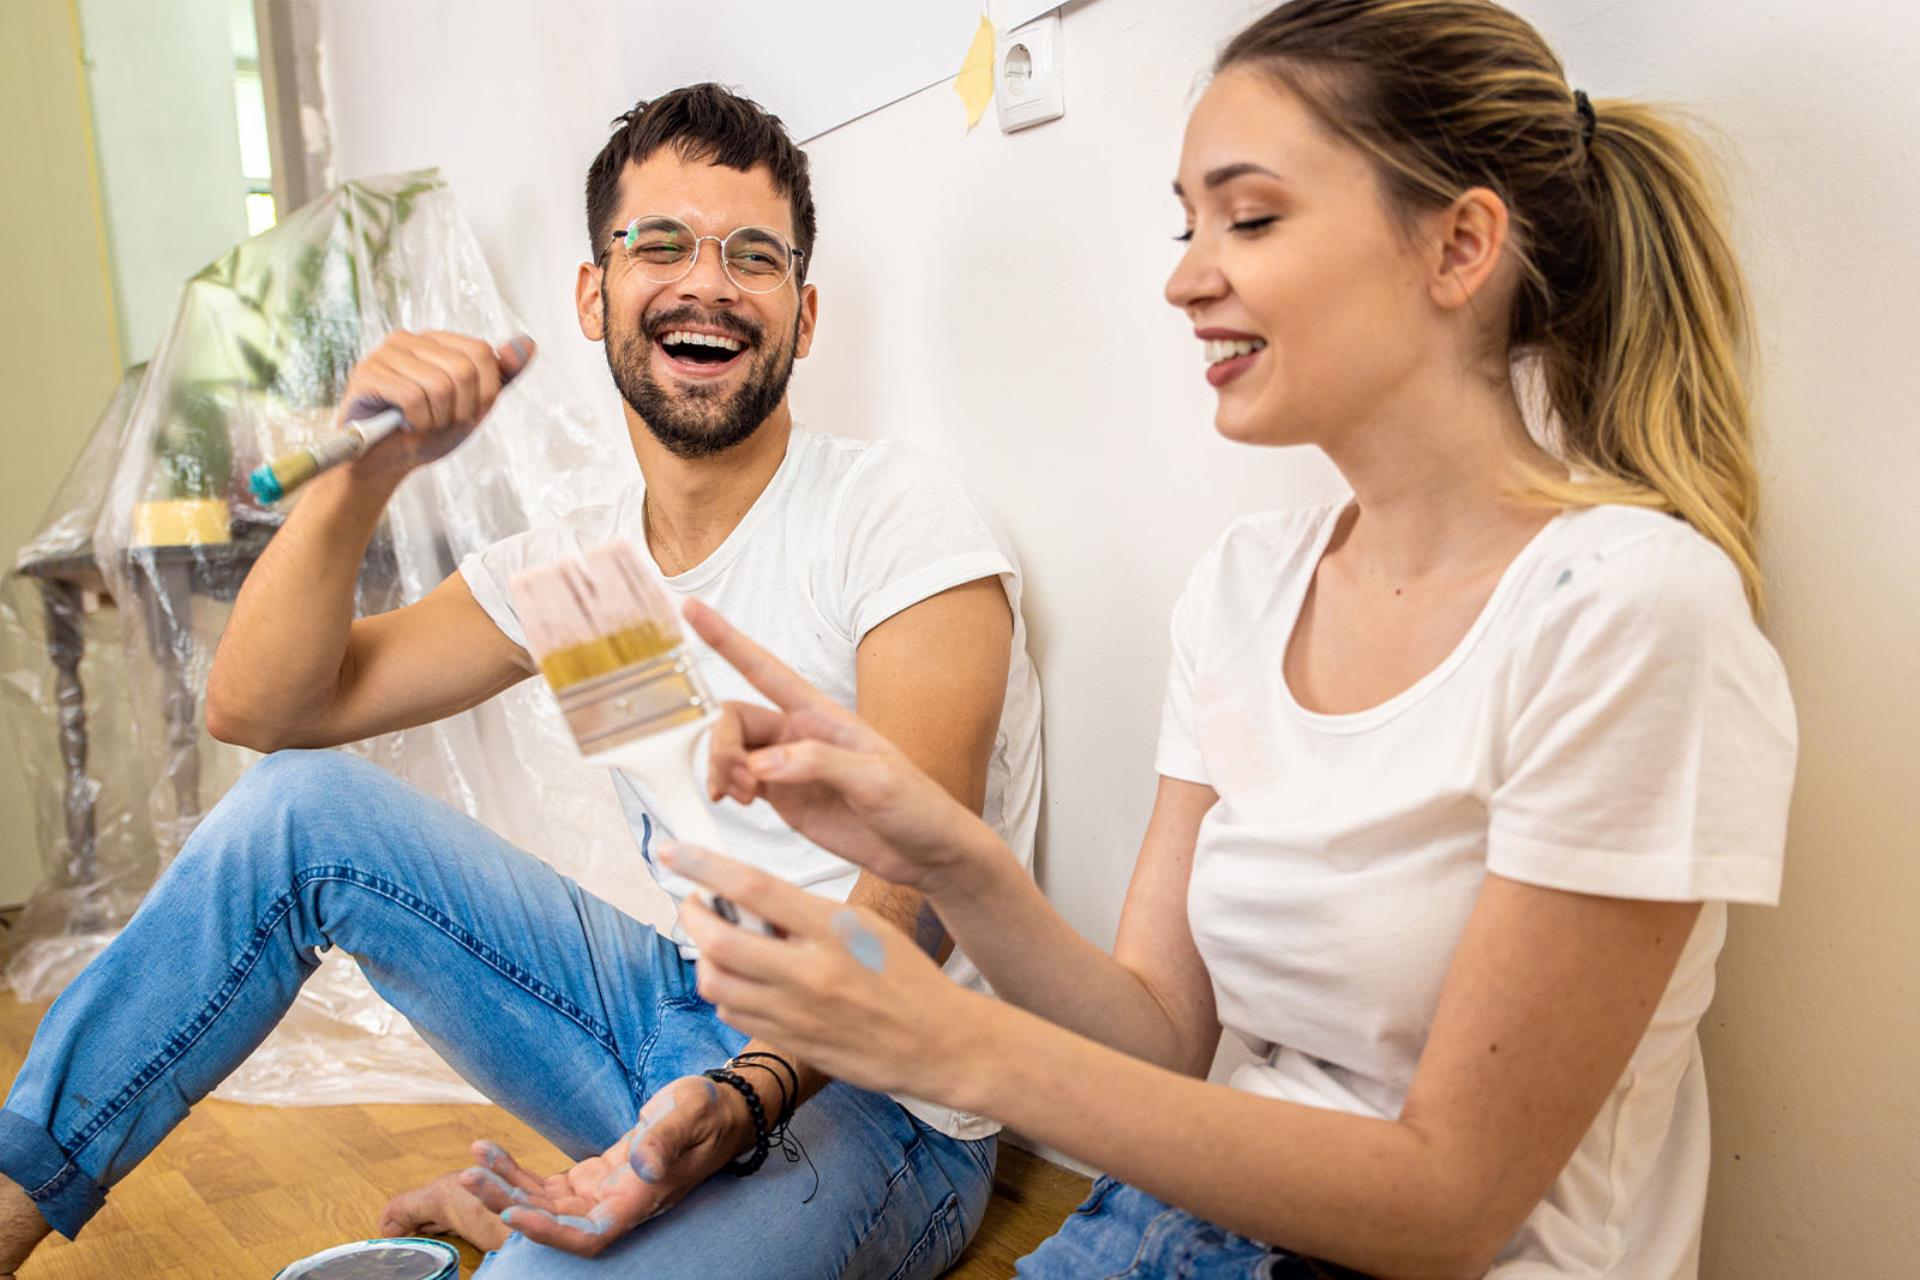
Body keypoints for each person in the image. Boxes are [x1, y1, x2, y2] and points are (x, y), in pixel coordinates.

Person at [622, 3, 1798, 1277]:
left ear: (1459, 245)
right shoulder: (1248, 585)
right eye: (1189, 223)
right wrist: (947, 852)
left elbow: (1449, 1204)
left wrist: (949, 1044)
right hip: (1168, 1224)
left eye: (1250, 217)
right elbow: (1161, 1037)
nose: (1184, 275)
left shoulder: (1632, 609)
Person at [0, 84, 1043, 1279]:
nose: (707, 282)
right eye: (661, 244)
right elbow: (263, 709)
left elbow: (901, 905)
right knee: (299, 811)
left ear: (802, 317)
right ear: (594, 295)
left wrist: (743, 1101)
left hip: (882, 1096)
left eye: (752, 256)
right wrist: (366, 471)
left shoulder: (900, 521)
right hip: (678, 1022)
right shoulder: (583, 573)